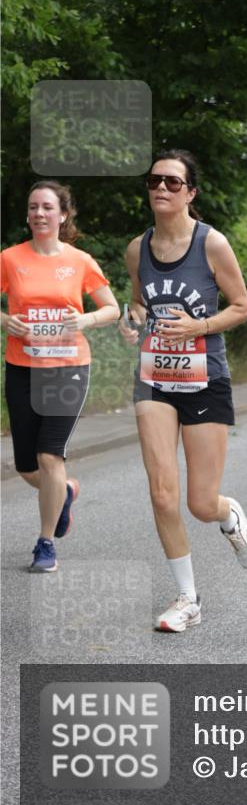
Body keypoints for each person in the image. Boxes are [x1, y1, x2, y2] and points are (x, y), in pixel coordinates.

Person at [119, 149, 247, 633]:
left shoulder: (212, 244)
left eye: (173, 183)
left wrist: (197, 325)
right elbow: (139, 305)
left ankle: (229, 516)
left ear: (190, 193)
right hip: (154, 377)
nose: (161, 188)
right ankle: (188, 598)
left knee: (200, 502)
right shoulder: (137, 249)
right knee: (162, 493)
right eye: (155, 180)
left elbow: (241, 307)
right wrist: (131, 320)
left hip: (205, 377)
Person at [1, 181, 119, 572]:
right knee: (26, 467)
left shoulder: (80, 261)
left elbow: (112, 309)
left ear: (62, 215)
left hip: (68, 368)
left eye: (47, 207)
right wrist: (5, 321)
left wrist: (85, 318)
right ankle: (65, 492)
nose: (39, 214)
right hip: (22, 368)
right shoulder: (10, 259)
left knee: (49, 455)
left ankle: (45, 543)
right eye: (33, 207)